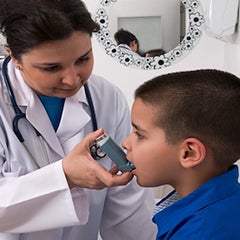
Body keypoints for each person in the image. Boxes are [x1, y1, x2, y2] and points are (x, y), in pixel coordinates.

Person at [0, 0, 157, 239]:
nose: (72, 80)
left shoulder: (107, 98)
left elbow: (129, 202)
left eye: (83, 59)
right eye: (51, 68)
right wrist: (64, 177)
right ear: (13, 56)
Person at [122, 69, 240, 239]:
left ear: (188, 153)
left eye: (139, 134)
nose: (125, 143)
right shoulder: (226, 204)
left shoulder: (200, 233)